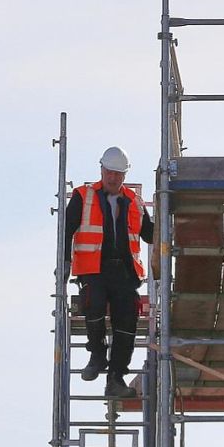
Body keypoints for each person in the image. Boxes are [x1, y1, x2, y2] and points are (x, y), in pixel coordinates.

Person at [64, 146, 154, 398]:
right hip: (94, 268)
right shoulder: (84, 196)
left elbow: (148, 233)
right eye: (109, 172)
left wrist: (173, 220)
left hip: (124, 272)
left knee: (127, 323)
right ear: (101, 169)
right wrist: (63, 265)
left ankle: (116, 378)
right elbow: (66, 231)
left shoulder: (134, 201)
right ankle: (96, 354)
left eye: (118, 174)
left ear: (124, 175)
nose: (113, 178)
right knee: (93, 304)